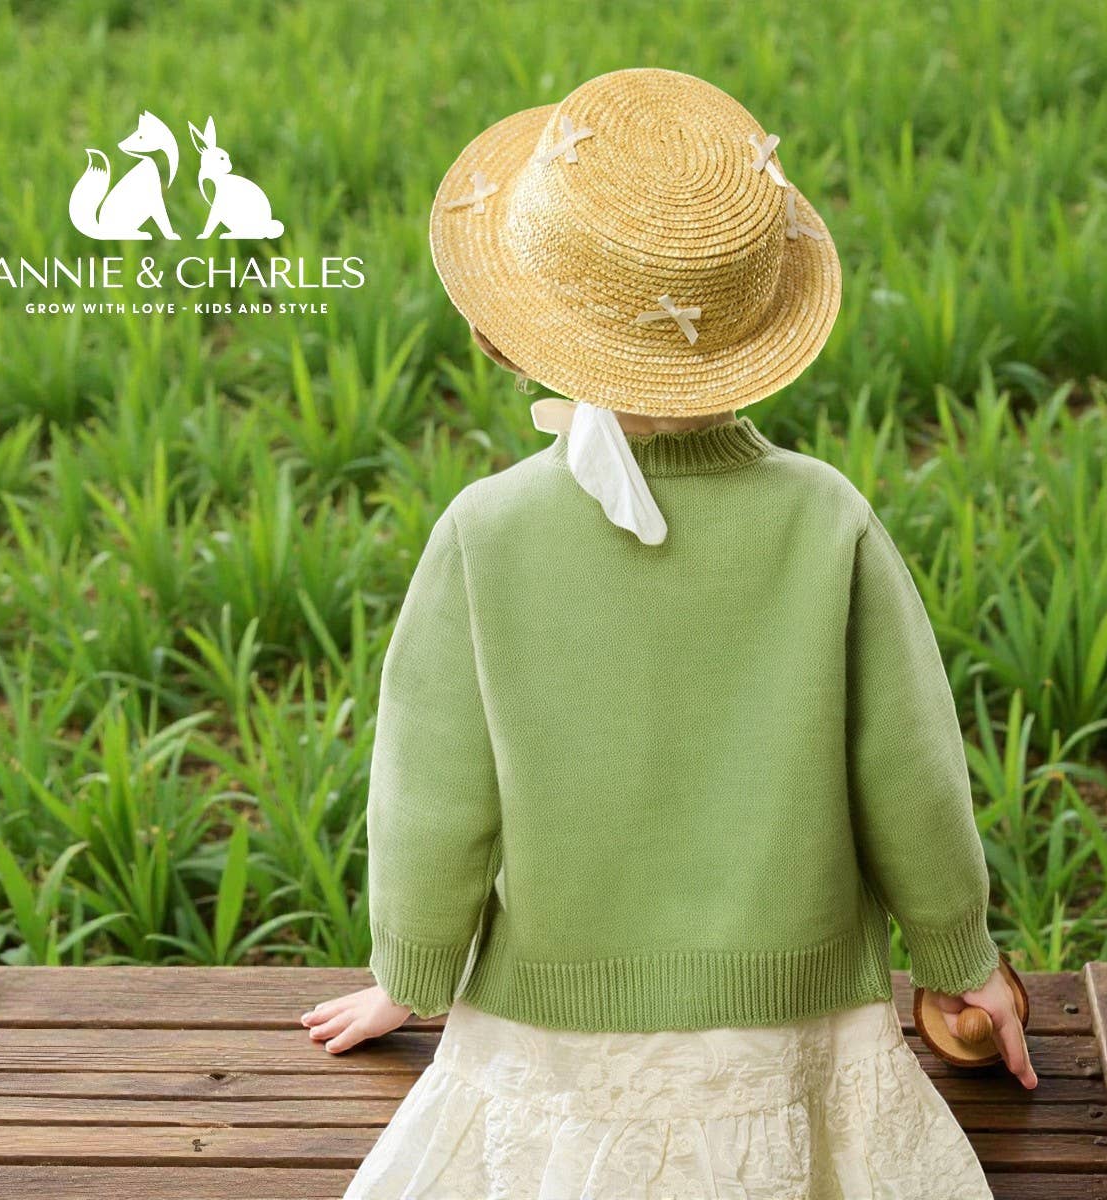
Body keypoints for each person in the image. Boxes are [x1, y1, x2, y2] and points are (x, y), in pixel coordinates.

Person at [304, 67, 1035, 1199]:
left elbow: (432, 799)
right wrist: (962, 960)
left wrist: (412, 974)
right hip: (797, 1046)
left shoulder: (487, 533)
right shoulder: (825, 517)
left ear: (516, 335)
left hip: (552, 1041)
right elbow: (911, 772)